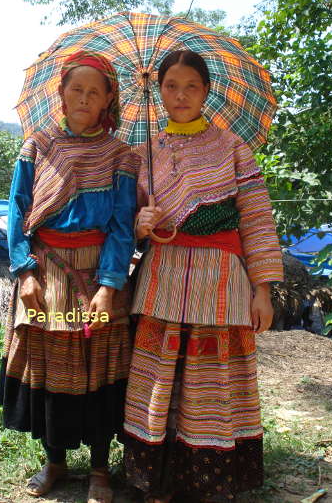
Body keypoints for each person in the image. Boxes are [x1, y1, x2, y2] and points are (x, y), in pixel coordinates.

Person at [123, 50, 284, 503]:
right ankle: (158, 478)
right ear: (159, 91)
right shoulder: (144, 154)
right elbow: (126, 222)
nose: (180, 95)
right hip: (163, 278)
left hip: (220, 282)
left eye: (191, 86)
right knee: (160, 375)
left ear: (207, 91)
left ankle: (210, 476)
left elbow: (256, 219)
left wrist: (263, 290)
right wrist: (141, 221)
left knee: (209, 378)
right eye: (171, 86)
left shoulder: (233, 148)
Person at [0, 51, 138, 503]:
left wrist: (108, 287)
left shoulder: (121, 156)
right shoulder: (37, 146)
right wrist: (25, 273)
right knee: (49, 365)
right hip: (47, 273)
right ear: (60, 93)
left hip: (99, 274)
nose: (84, 97)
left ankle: (100, 469)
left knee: (100, 367)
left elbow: (121, 225)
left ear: (108, 99)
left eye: (94, 91)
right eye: (76, 89)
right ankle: (55, 461)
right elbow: (18, 211)